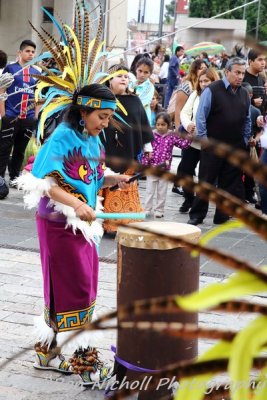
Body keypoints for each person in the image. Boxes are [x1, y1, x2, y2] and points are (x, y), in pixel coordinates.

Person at [17, 83, 132, 384]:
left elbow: (88, 176)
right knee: (76, 289)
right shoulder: (62, 137)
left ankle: (47, 351)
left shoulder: (92, 138)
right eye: (102, 117)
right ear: (84, 111)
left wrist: (113, 178)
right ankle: (87, 365)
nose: (105, 124)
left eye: (109, 118)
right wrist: (77, 204)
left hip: (82, 226)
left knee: (70, 288)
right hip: (59, 225)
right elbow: (45, 182)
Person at [187, 57, 251, 225]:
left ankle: (221, 215)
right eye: (237, 72)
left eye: (243, 73)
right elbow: (201, 117)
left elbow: (246, 118)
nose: (240, 76)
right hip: (213, 144)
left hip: (235, 145)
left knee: (229, 183)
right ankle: (197, 215)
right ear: (227, 72)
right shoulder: (213, 90)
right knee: (206, 181)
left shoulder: (244, 93)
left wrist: (244, 139)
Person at [99, 65, 153, 233]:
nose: (123, 79)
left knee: (125, 183)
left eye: (126, 76)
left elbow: (142, 124)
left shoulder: (134, 100)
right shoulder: (103, 101)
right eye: (118, 76)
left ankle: (125, 223)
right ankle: (104, 223)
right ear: (109, 79)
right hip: (105, 152)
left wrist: (147, 146)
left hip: (128, 153)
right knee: (105, 183)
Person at [0, 40, 41, 187]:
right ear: (20, 52)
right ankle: (0, 179)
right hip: (10, 117)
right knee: (4, 148)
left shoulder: (37, 73)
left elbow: (38, 96)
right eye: (28, 51)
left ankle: (14, 178)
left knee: (20, 150)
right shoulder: (10, 69)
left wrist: (35, 116)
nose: (31, 54)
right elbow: (2, 90)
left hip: (28, 119)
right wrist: (4, 114)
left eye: (33, 52)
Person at [179, 68, 220, 213]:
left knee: (206, 176)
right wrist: (188, 124)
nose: (203, 84)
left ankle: (199, 204)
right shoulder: (196, 95)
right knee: (184, 170)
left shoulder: (219, 96)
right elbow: (185, 112)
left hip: (209, 142)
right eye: (201, 81)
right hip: (193, 141)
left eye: (207, 81)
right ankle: (188, 199)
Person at [142, 112, 191, 217]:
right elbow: (146, 150)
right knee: (149, 191)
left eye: (163, 124)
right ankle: (147, 209)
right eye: (158, 124)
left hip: (165, 169)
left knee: (162, 192)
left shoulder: (172, 135)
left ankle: (159, 210)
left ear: (169, 124)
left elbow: (183, 145)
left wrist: (189, 137)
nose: (160, 127)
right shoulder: (151, 135)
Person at [171, 59, 207, 194]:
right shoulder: (188, 86)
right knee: (186, 165)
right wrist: (181, 128)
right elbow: (180, 110)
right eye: (200, 68)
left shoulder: (212, 92)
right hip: (189, 134)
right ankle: (185, 192)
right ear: (194, 70)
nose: (203, 71)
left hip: (205, 140)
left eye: (205, 68)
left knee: (196, 168)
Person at [129, 56, 155, 125]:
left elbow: (141, 103)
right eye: (140, 71)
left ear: (150, 74)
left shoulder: (149, 87)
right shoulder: (131, 84)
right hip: (130, 120)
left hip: (142, 122)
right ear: (136, 70)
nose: (142, 75)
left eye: (146, 72)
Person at [243, 49, 266, 115]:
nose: (263, 63)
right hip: (247, 121)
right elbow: (234, 100)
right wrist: (252, 102)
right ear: (250, 62)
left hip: (261, 121)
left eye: (264, 60)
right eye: (260, 60)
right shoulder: (241, 78)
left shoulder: (262, 79)